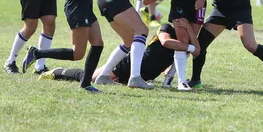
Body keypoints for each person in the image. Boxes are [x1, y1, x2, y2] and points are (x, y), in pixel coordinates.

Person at [39, 20, 200, 91]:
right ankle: (58, 72)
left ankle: (60, 72)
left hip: (144, 75)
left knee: (99, 80)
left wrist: (191, 32)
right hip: (131, 64)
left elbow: (197, 51)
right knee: (91, 78)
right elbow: (166, 43)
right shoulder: (166, 28)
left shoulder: (185, 42)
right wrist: (190, 47)